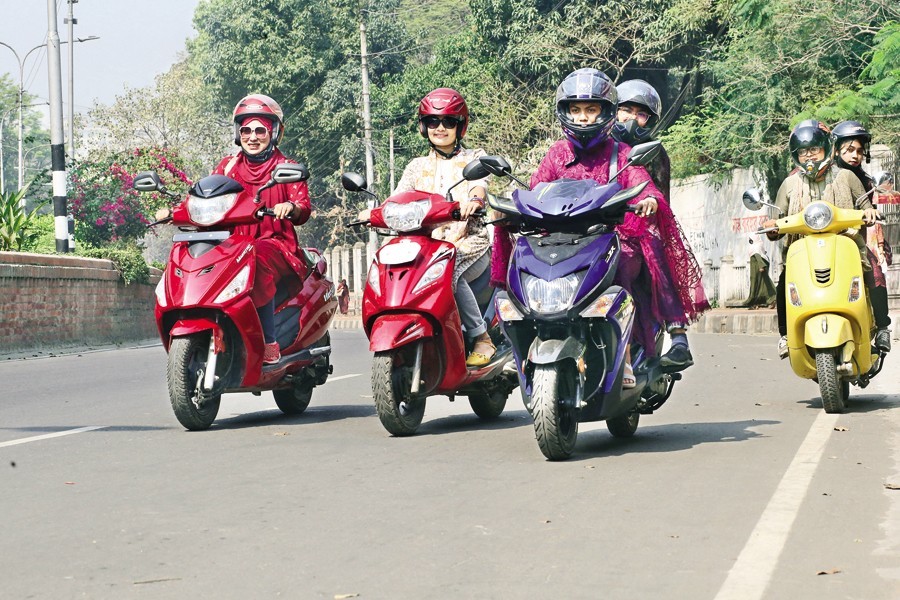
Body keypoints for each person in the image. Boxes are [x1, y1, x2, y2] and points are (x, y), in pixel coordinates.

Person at [528, 68, 709, 387]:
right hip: (569, 238)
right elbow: (537, 189)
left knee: (642, 255)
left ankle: (667, 337)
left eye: (641, 114)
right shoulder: (559, 152)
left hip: (625, 231)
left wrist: (647, 204)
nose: (632, 118)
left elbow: (652, 192)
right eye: (627, 109)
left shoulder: (634, 153)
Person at [156, 94, 311, 365]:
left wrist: (290, 207)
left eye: (260, 130)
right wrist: (175, 211)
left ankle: (269, 341)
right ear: (238, 134)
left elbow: (302, 207)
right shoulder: (227, 166)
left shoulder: (286, 168)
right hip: (231, 242)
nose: (253, 137)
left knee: (256, 258)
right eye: (246, 130)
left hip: (272, 242)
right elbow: (207, 195)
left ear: (274, 133)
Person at [360, 88, 495, 367]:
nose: (441, 128)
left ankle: (482, 337)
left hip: (467, 241)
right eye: (433, 122)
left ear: (461, 126)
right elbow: (395, 200)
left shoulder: (475, 158)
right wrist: (373, 212)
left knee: (450, 273)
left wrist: (474, 200)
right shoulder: (415, 166)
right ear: (424, 126)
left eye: (449, 121)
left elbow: (480, 186)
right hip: (426, 246)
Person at [763, 119, 888, 358]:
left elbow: (864, 204)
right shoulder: (789, 184)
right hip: (802, 248)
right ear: (795, 155)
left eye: (814, 150)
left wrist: (870, 211)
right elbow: (777, 218)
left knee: (871, 269)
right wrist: (771, 226)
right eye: (803, 152)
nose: (809, 156)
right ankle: (785, 335)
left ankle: (882, 327)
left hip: (846, 242)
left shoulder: (846, 177)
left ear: (826, 149)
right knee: (784, 280)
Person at [832, 120, 892, 332]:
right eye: (849, 150)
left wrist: (871, 213)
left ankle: (883, 327)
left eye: (858, 150)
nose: (855, 155)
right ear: (836, 150)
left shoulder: (865, 180)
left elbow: (871, 210)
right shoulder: (822, 176)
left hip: (854, 241)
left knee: (875, 273)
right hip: (823, 240)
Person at [742, 237, 776, 308]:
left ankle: (769, 299)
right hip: (757, 268)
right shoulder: (757, 245)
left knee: (759, 284)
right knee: (761, 284)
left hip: (759, 268)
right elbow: (763, 253)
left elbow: (758, 256)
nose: (750, 241)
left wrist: (761, 266)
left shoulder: (756, 247)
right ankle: (760, 302)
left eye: (751, 239)